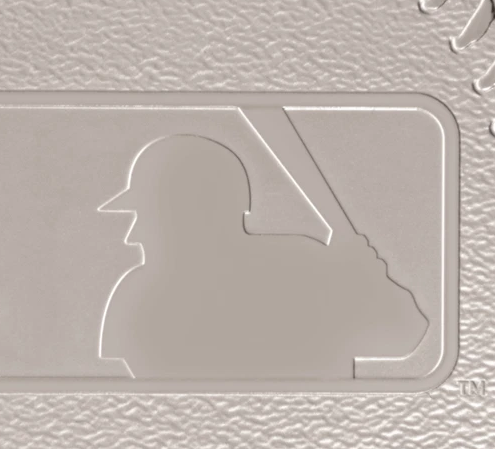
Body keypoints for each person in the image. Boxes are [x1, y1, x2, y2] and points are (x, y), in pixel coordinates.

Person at [98, 134, 427, 379]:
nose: (133, 235)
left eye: (149, 215)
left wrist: (370, 285)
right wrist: (365, 283)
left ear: (195, 213)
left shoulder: (140, 297)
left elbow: (407, 334)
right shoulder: (309, 266)